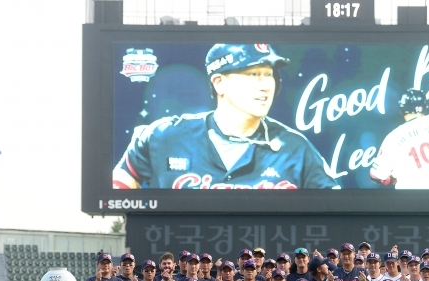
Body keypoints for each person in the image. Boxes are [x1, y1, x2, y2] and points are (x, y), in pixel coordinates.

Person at [113, 44, 338, 190]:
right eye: (252, 74)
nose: (265, 86)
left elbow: (334, 204)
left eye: (268, 75)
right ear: (219, 83)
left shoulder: (295, 147)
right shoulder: (164, 136)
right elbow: (119, 184)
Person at [369, 47, 429, 189]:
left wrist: (391, 179)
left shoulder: (393, 138)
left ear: (402, 110)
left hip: (412, 204)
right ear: (425, 106)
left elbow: (376, 175)